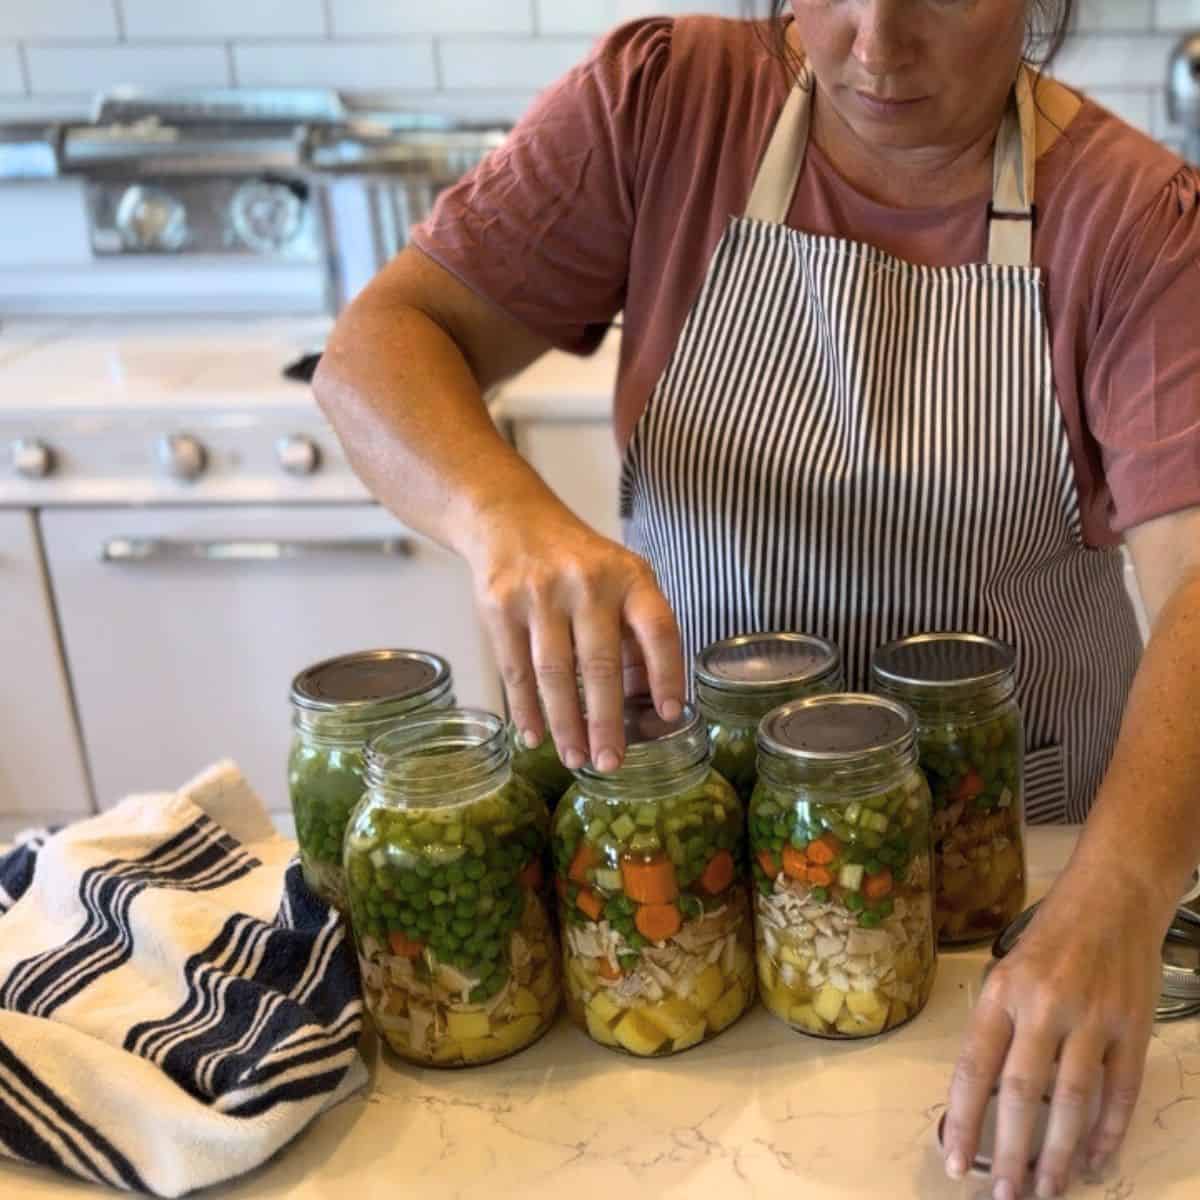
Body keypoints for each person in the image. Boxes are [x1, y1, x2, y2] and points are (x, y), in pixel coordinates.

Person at [314, 2, 1200, 1196]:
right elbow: (382, 341)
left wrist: (1123, 896)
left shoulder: (1134, 220)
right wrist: (501, 518)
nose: (875, 45)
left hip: (1009, 878)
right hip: (689, 874)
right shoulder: (669, 103)